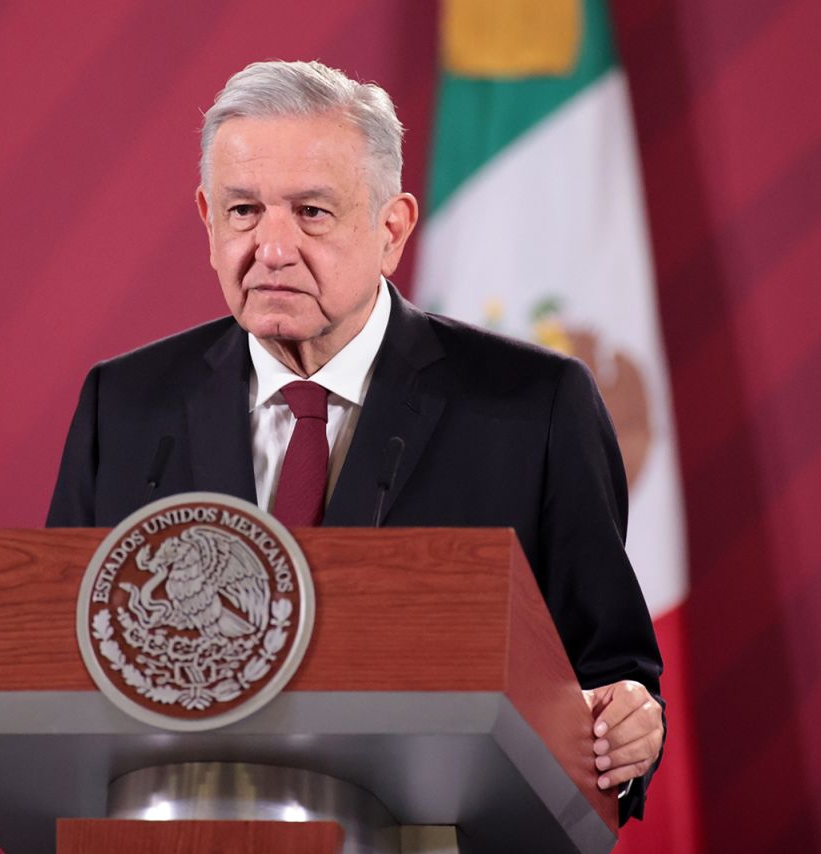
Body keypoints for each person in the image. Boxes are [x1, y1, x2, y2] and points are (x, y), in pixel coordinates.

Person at [47, 60, 664, 824]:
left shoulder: (533, 406)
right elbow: (59, 668)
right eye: (244, 211)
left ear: (391, 228)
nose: (271, 247)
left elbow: (612, 672)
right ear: (207, 217)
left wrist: (631, 720)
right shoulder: (127, 403)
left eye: (310, 212)